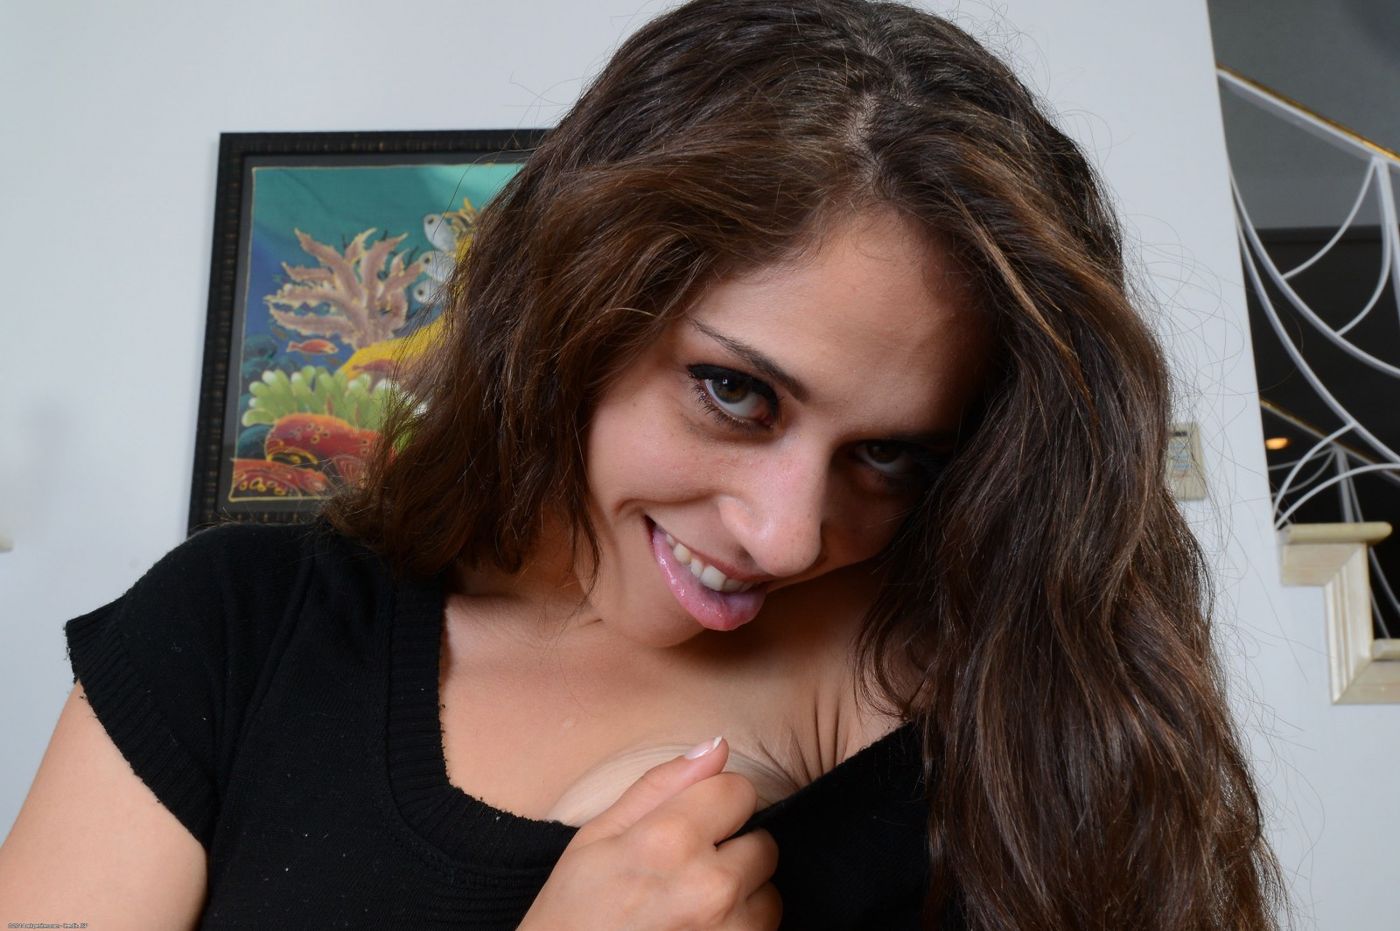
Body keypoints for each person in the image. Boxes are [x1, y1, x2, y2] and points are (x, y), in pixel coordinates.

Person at [0, 0, 1285, 928]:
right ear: (576, 306)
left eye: (888, 454)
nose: (784, 535)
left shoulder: (1025, 713)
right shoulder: (236, 632)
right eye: (734, 392)